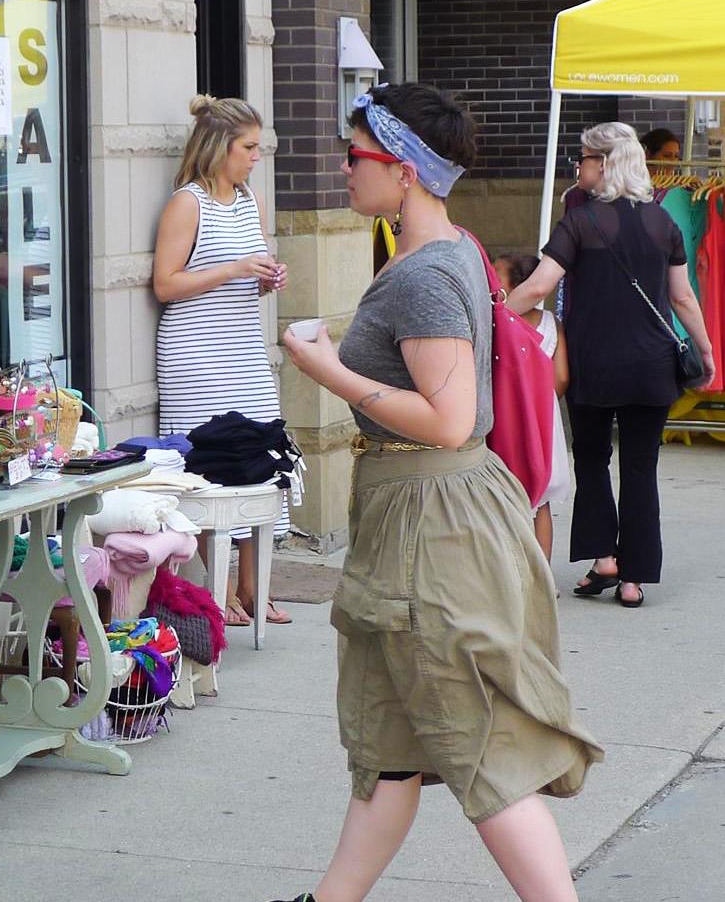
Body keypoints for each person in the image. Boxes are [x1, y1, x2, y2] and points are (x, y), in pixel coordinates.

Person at [277, 82, 601, 902]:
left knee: (479, 746)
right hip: (421, 519)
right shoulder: (450, 248)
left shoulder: (423, 273)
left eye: (355, 156)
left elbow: (449, 419)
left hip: (432, 527)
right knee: (392, 748)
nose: (343, 170)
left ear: (406, 172)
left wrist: (326, 370)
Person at [504, 122, 717, 610]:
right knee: (642, 468)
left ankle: (604, 559)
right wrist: (704, 350)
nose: (577, 167)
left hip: (593, 365)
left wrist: (494, 314)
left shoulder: (579, 223)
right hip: (651, 367)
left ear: (604, 164)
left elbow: (539, 287)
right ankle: (634, 579)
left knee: (593, 460)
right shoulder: (664, 224)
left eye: (582, 159)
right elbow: (682, 297)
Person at [151, 94, 292, 628]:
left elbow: (244, 281)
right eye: (249, 147)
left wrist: (264, 281)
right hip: (195, 349)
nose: (257, 156)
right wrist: (234, 268)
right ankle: (223, 590)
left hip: (242, 346)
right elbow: (166, 284)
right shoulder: (188, 202)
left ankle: (257, 589)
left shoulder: (249, 200)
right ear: (219, 147)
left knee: (261, 455)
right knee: (212, 465)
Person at [495, 252, 573, 557]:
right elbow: (563, 376)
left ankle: (511, 572)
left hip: (508, 416)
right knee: (541, 500)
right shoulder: (553, 324)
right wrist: (544, 400)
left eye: (498, 274)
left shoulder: (501, 322)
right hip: (545, 417)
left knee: (506, 492)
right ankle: (544, 576)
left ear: (517, 285)